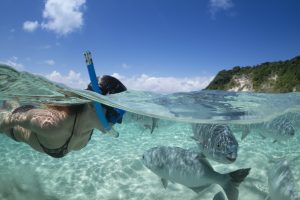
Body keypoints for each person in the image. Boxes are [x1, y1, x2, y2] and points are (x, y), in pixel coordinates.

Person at [0, 75, 127, 158]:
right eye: (114, 113)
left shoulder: (88, 128)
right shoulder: (52, 123)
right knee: (8, 108)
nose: (118, 121)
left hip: (28, 115)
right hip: (13, 129)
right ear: (93, 104)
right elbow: (11, 119)